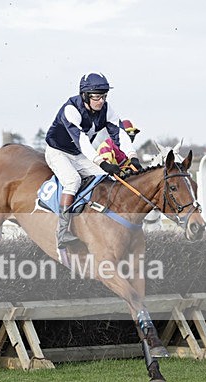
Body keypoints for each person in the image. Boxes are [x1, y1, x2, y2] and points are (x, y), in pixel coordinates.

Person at [45, 72, 142, 249]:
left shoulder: (106, 110)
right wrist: (101, 162)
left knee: (106, 178)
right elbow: (81, 140)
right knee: (72, 181)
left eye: (104, 96)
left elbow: (119, 133)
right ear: (85, 96)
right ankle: (62, 232)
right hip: (58, 152)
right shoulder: (71, 109)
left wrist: (132, 156)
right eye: (97, 97)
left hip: (78, 154)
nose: (102, 101)